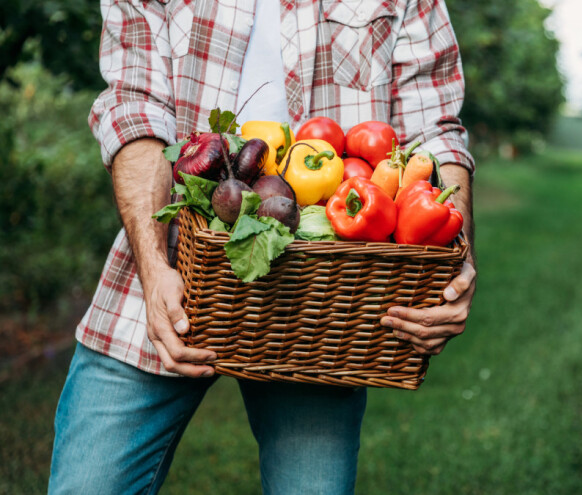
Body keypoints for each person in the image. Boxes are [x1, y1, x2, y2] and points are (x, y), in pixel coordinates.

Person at [48, 0, 476, 493]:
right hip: (168, 273)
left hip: (321, 305)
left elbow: (436, 134)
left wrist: (457, 260)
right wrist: (152, 264)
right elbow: (134, 107)